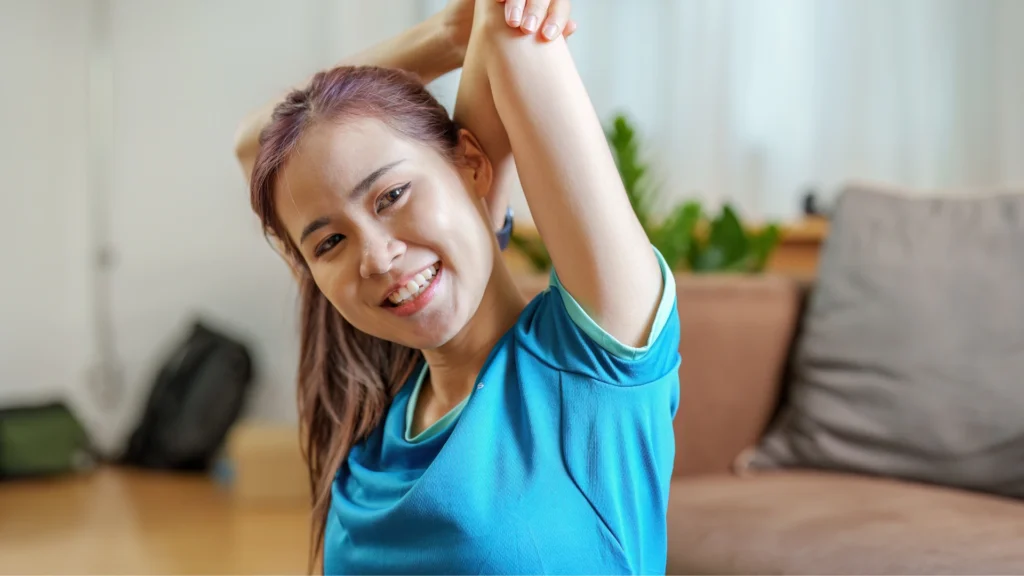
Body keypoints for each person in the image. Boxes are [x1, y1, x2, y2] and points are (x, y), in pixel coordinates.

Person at [234, 0, 680, 573]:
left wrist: (473, 25)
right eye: (329, 243)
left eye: (391, 196)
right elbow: (257, 145)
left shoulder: (592, 361)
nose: (376, 256)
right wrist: (445, 35)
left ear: (473, 164)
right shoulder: (377, 411)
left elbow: (505, 25)